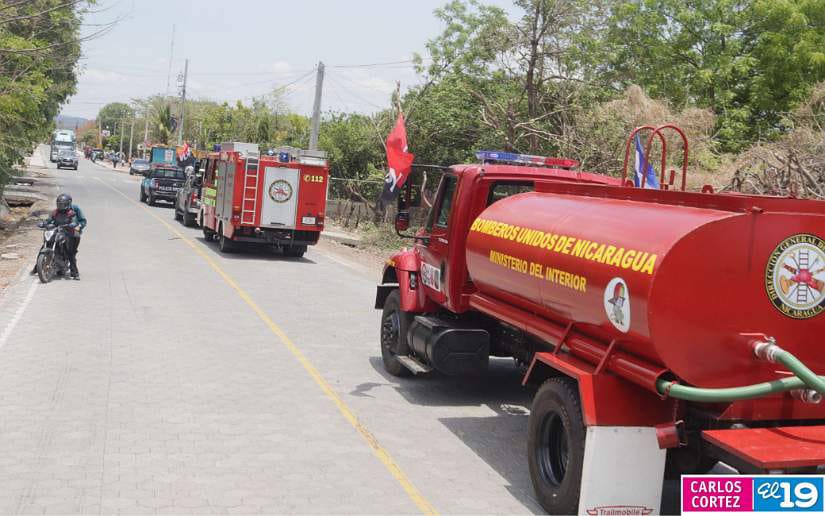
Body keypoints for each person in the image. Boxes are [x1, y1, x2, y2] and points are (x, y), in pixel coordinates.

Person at [42, 193, 86, 279]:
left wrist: (77, 226)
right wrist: (44, 223)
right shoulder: (55, 212)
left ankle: (75, 273)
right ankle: (38, 267)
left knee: (71, 253)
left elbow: (81, 221)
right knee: (46, 244)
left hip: (72, 232)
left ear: (68, 203)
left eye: (62, 204)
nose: (60, 206)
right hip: (59, 230)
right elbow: (49, 220)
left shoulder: (73, 211)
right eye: (59, 204)